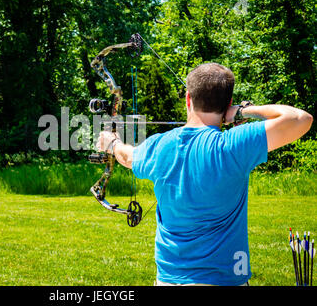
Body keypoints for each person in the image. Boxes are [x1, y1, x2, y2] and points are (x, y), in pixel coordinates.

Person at [95, 62, 313, 286]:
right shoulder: (232, 145)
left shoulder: (159, 145)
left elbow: (126, 156)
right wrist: (242, 111)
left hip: (170, 281)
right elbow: (300, 119)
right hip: (225, 280)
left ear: (188, 99)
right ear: (227, 103)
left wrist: (112, 143)